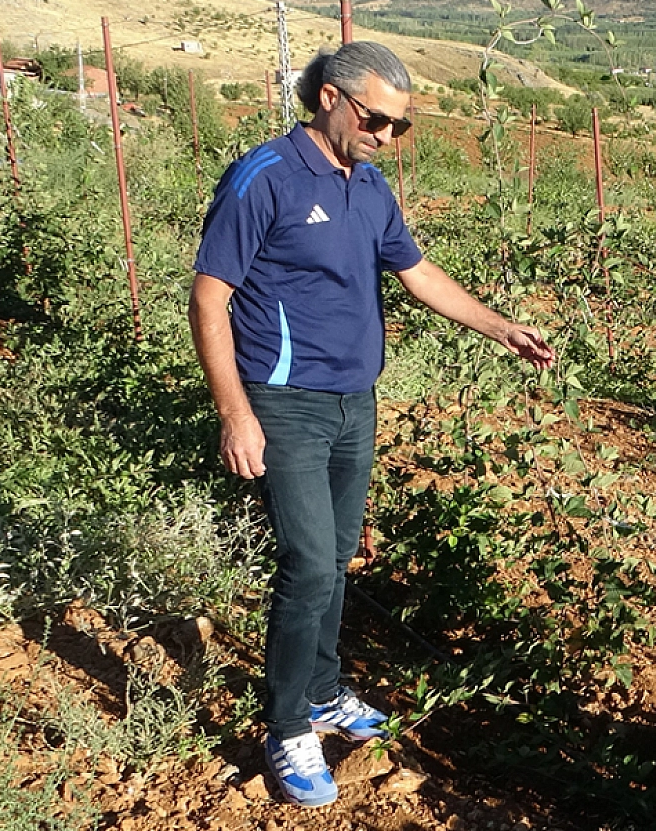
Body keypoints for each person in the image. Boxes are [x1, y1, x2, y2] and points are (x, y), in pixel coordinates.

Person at [189, 41, 555, 808]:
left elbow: (416, 273)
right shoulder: (267, 177)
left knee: (338, 561)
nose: (387, 135)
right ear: (329, 96)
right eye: (377, 118)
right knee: (309, 564)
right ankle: (287, 724)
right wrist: (236, 413)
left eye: (400, 125)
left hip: (357, 401)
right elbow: (210, 295)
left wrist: (500, 327)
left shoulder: (371, 183)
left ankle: (323, 687)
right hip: (284, 400)